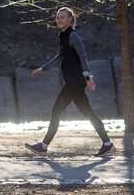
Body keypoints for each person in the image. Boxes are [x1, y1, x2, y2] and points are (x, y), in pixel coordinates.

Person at [26, 8, 114, 157]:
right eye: (58, 17)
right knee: (88, 113)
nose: (59, 20)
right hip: (74, 82)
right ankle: (107, 143)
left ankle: (43, 146)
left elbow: (83, 57)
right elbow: (61, 55)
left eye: (62, 17)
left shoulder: (73, 36)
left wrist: (89, 77)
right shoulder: (63, 36)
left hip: (75, 82)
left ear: (70, 19)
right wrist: (43, 68)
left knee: (56, 111)